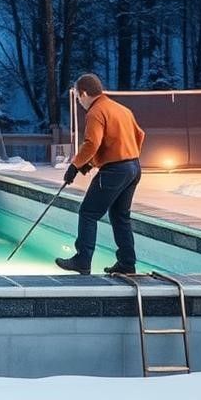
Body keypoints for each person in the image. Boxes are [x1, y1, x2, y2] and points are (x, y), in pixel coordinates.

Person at [54, 73, 146, 276]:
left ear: (84, 93)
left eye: (78, 98)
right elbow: (139, 135)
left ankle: (82, 260)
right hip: (134, 167)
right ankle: (127, 263)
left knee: (88, 212)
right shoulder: (121, 109)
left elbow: (92, 143)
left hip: (115, 171)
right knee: (120, 216)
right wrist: (97, 162)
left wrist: (75, 166)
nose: (79, 102)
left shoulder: (96, 111)